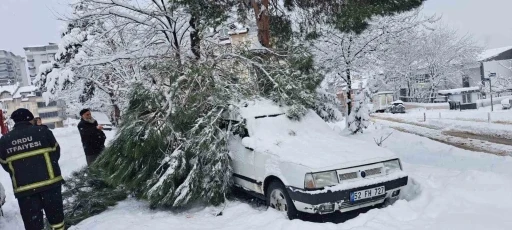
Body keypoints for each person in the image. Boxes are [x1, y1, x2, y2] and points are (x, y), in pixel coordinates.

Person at [0, 108, 64, 230]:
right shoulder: (43, 132)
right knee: (56, 221)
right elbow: (56, 153)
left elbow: (4, 164)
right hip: (50, 184)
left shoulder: (4, 140)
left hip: (24, 190)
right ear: (30, 119)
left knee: (33, 225)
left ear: (14, 121)